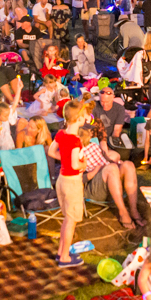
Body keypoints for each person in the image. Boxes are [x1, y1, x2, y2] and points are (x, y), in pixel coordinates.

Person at [49, 100, 86, 268]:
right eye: (84, 115)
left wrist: (62, 158)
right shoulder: (75, 141)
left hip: (61, 180)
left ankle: (60, 251)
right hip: (72, 183)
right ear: (79, 119)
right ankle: (64, 257)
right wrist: (84, 164)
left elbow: (51, 151)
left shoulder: (61, 134)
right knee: (71, 221)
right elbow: (75, 164)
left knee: (67, 219)